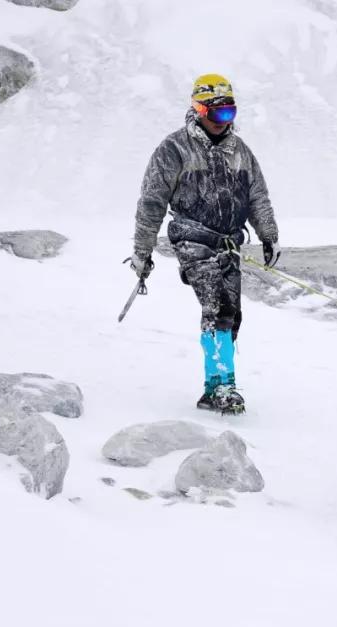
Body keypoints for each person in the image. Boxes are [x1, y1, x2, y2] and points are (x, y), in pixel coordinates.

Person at [128, 73, 280, 414]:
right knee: (218, 307)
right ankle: (223, 386)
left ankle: (214, 386)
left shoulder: (240, 151)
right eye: (216, 113)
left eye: (229, 113)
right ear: (198, 110)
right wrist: (142, 250)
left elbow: (257, 195)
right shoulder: (174, 149)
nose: (222, 121)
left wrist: (268, 234)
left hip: (229, 243)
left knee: (232, 315)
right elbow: (151, 201)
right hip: (191, 237)